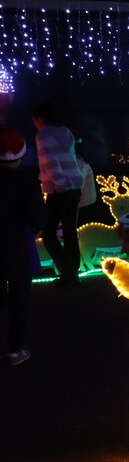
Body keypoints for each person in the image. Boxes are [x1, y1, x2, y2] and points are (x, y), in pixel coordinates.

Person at [0, 127, 45, 365]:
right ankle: (14, 350)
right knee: (19, 299)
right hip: (18, 247)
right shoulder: (27, 181)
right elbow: (37, 218)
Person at [32, 101, 84, 286]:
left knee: (48, 234)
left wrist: (59, 184)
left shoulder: (43, 135)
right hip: (75, 187)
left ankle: (68, 275)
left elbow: (50, 161)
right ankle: (73, 273)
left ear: (39, 119)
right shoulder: (65, 131)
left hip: (59, 189)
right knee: (70, 231)